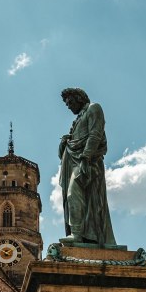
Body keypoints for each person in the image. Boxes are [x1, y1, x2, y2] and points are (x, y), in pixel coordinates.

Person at [58, 87, 116, 245]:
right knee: (75, 198)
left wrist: (85, 157)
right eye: (67, 104)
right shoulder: (76, 121)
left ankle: (76, 234)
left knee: (72, 194)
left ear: (79, 98)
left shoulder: (93, 108)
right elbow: (64, 153)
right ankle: (83, 235)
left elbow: (95, 133)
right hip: (75, 162)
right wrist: (64, 143)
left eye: (70, 102)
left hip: (88, 162)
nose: (68, 106)